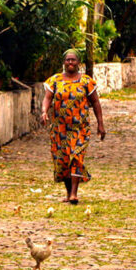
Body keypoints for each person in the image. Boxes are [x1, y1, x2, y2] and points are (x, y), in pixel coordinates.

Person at [40, 49, 106, 204]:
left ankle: (74, 194)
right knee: (62, 160)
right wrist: (44, 112)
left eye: (73, 60)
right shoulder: (55, 80)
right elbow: (47, 98)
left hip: (79, 128)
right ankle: (69, 192)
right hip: (59, 129)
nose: (70, 62)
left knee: (76, 157)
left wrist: (100, 124)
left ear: (78, 62)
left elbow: (95, 102)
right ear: (64, 62)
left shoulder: (86, 82)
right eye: (68, 60)